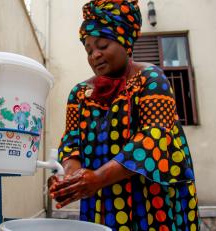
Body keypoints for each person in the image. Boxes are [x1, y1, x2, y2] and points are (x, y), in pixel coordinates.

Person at [48, 0, 200, 230]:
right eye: (88, 50)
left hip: (151, 201)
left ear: (125, 42)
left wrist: (98, 177)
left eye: (102, 45)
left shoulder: (150, 79)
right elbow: (71, 144)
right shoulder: (80, 93)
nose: (94, 55)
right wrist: (72, 179)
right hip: (102, 202)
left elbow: (154, 139)